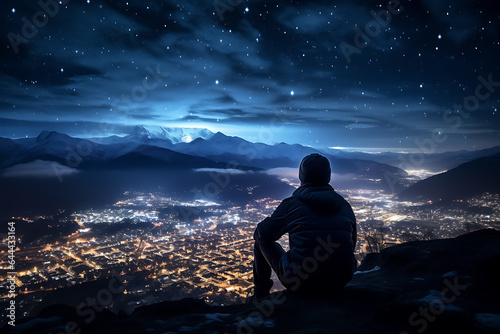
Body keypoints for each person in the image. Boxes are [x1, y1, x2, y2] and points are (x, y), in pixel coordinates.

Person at [252, 153, 357, 298]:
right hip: (341, 279)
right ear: (328, 176)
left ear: (302, 176)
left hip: (301, 282)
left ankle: (260, 295)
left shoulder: (291, 205)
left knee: (260, 242)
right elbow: (352, 244)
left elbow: (261, 235)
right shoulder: (344, 205)